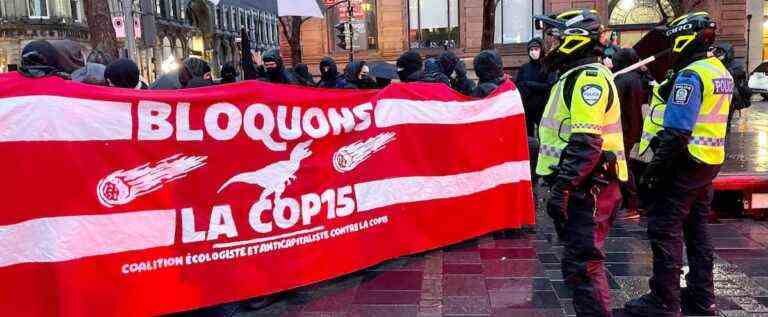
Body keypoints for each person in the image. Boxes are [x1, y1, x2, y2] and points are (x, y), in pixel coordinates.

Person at [625, 12, 731, 317]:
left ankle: (664, 300)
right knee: (698, 233)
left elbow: (677, 132)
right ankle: (701, 296)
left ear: (684, 37)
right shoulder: (718, 69)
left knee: (665, 230)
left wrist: (654, 172)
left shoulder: (691, 75)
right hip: (708, 164)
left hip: (683, 166)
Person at [534, 9, 627, 317]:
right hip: (585, 186)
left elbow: (586, 142)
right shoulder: (573, 76)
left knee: (585, 265)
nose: (550, 45)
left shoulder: (588, 79)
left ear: (574, 40)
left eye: (556, 38)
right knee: (578, 263)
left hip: (591, 188)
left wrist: (562, 188)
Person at [613, 47, 646, 218]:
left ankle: (632, 204)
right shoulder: (636, 78)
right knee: (625, 164)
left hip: (623, 129)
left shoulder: (623, 79)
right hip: (632, 128)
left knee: (623, 165)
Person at [516, 37, 554, 137]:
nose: (533, 52)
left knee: (543, 134)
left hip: (543, 107)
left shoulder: (548, 67)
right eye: (531, 50)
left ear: (541, 49)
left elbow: (549, 86)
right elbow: (519, 85)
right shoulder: (524, 68)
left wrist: (530, 84)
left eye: (536, 49)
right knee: (528, 137)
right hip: (527, 108)